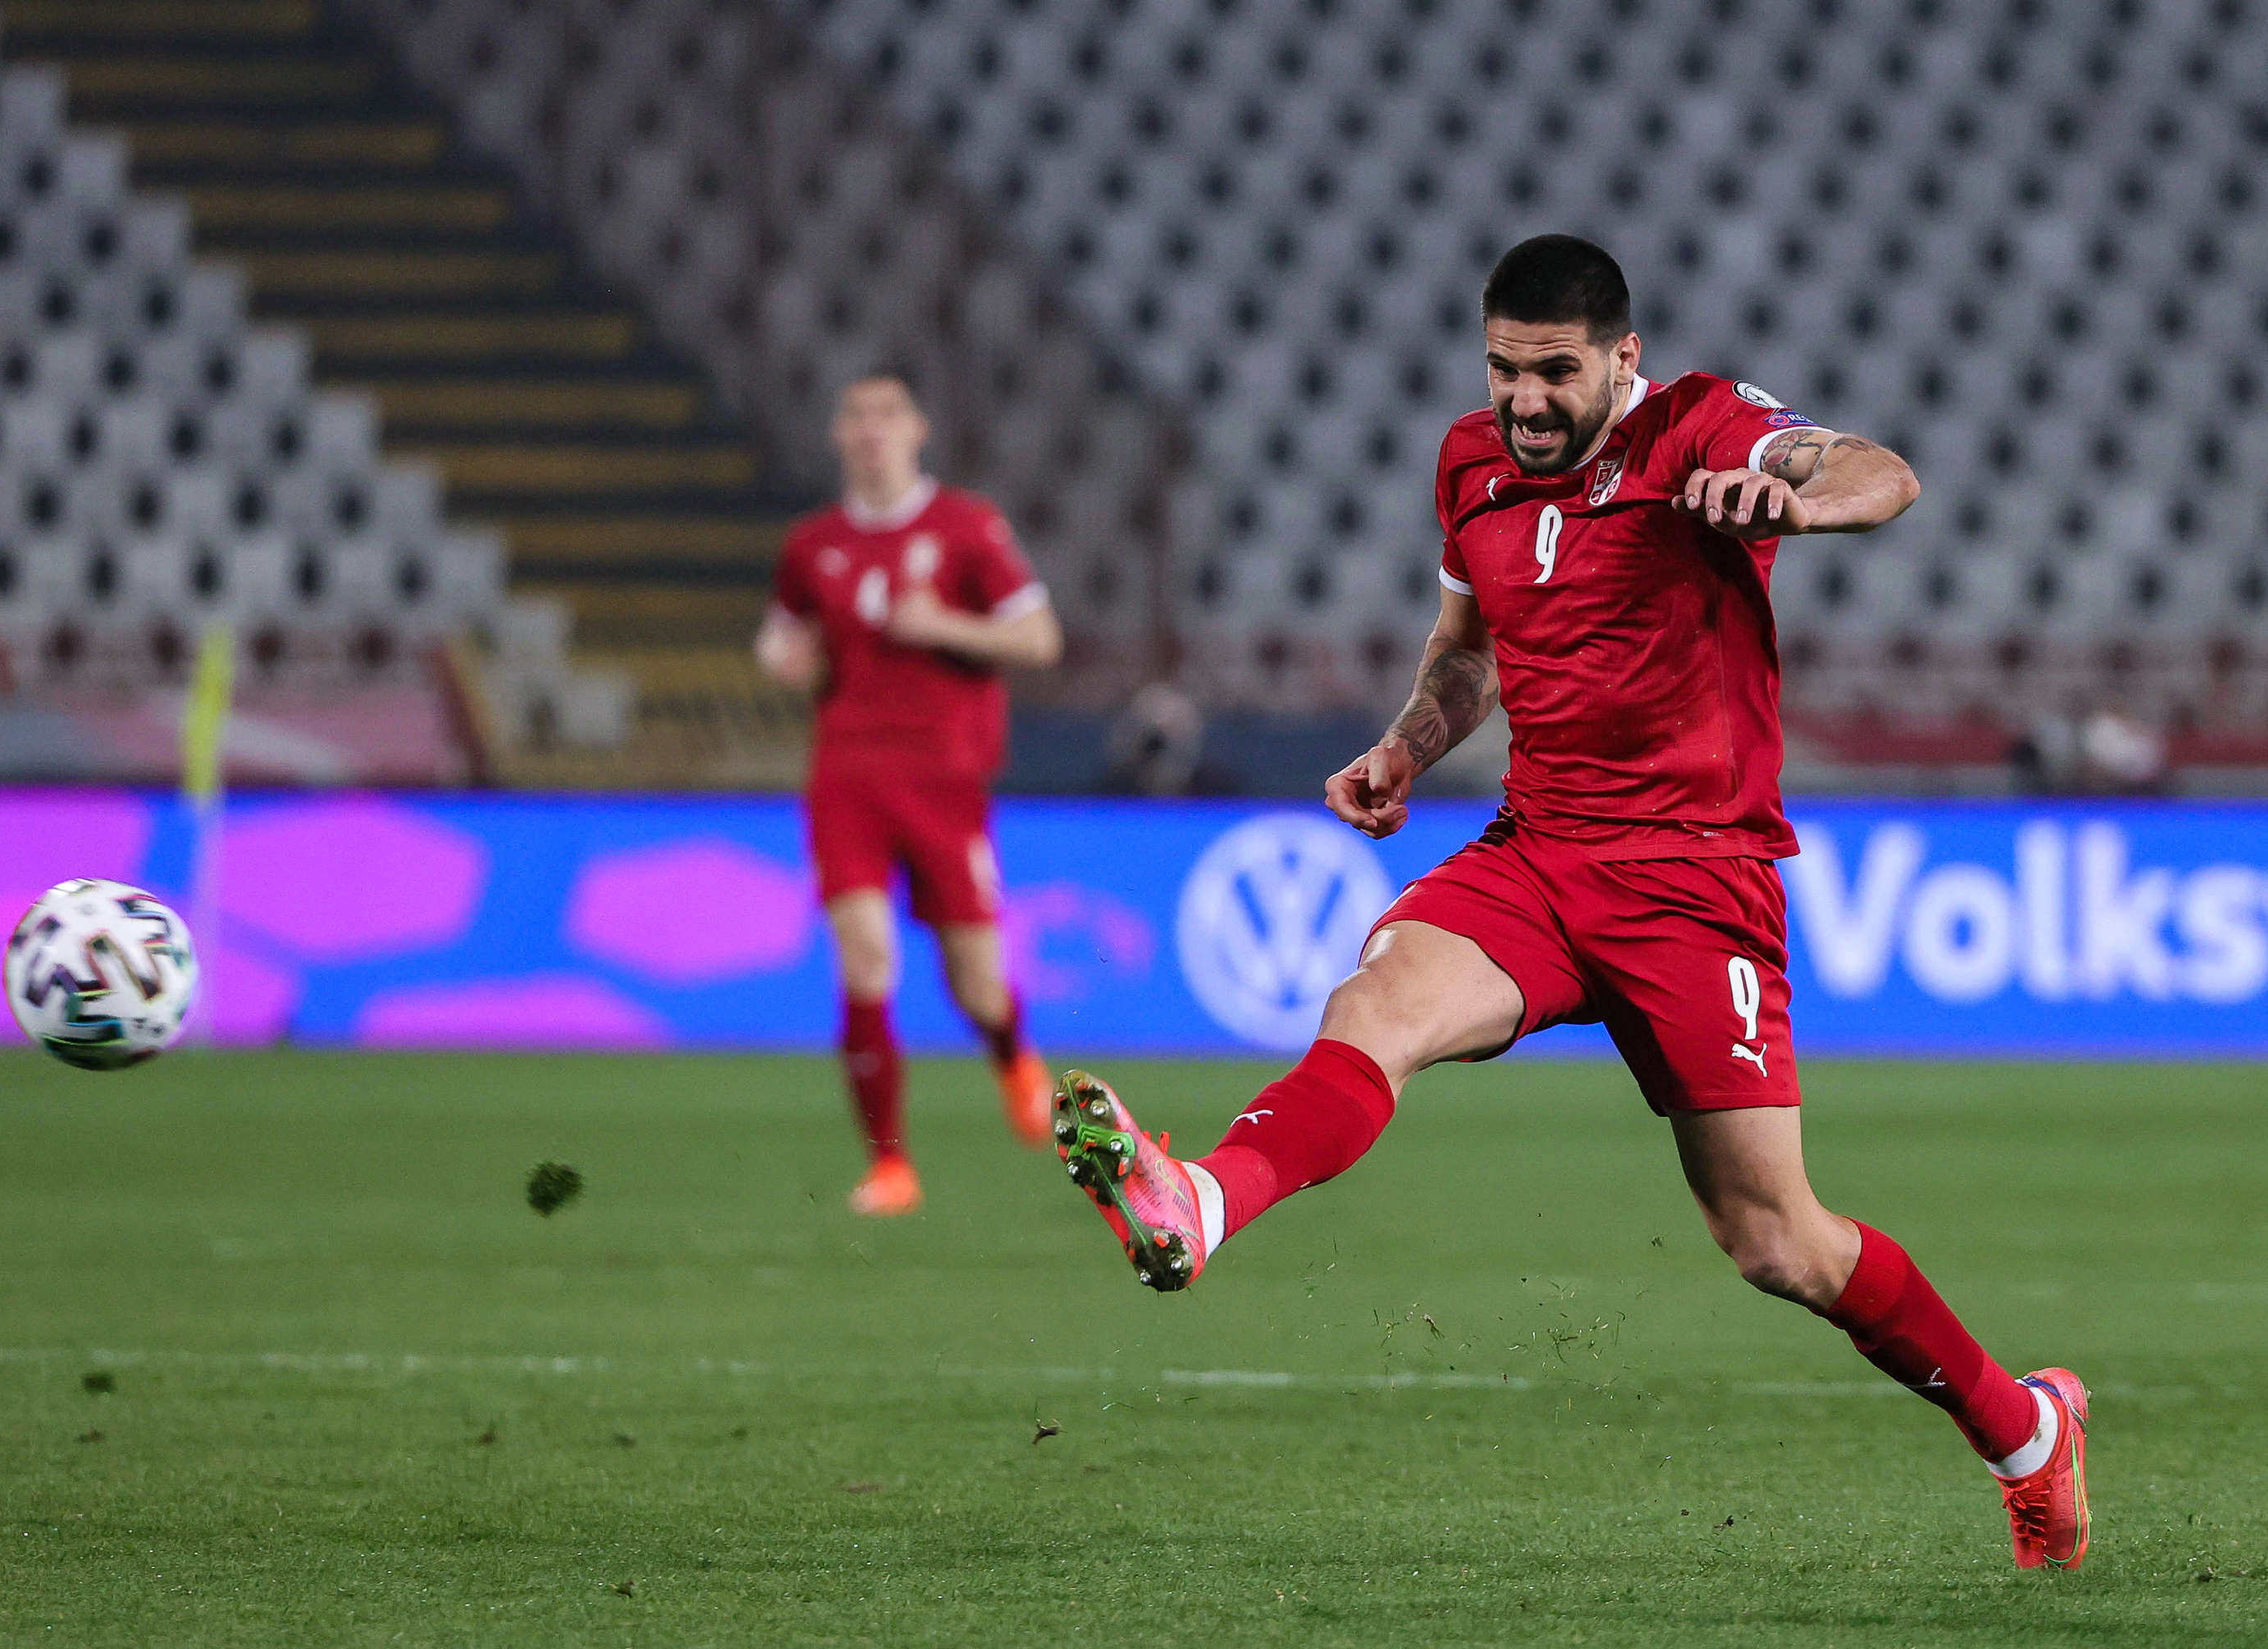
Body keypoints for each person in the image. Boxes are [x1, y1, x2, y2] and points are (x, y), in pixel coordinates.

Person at [1051, 236, 2090, 1570]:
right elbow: (1465, 656)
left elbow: (1878, 472)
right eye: (1504, 369)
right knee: (1374, 1006)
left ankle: (2024, 1435)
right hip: (1538, 851)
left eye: (1554, 372)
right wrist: (1406, 749)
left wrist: (1795, 505)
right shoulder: (1468, 465)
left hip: (1694, 879)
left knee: (1776, 1240)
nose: (1525, 400)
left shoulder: (1702, 427)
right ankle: (1198, 1201)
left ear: (1622, 361)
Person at [758, 369, 1064, 1216]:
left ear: (917, 426)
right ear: (836, 433)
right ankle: (890, 1164)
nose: (871, 428)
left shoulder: (967, 527)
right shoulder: (811, 544)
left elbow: (1040, 637)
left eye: (886, 411)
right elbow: (782, 640)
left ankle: (1011, 1055)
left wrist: (946, 627)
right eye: (855, 413)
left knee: (977, 984)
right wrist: (791, 663)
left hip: (945, 779)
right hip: (847, 776)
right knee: (866, 958)